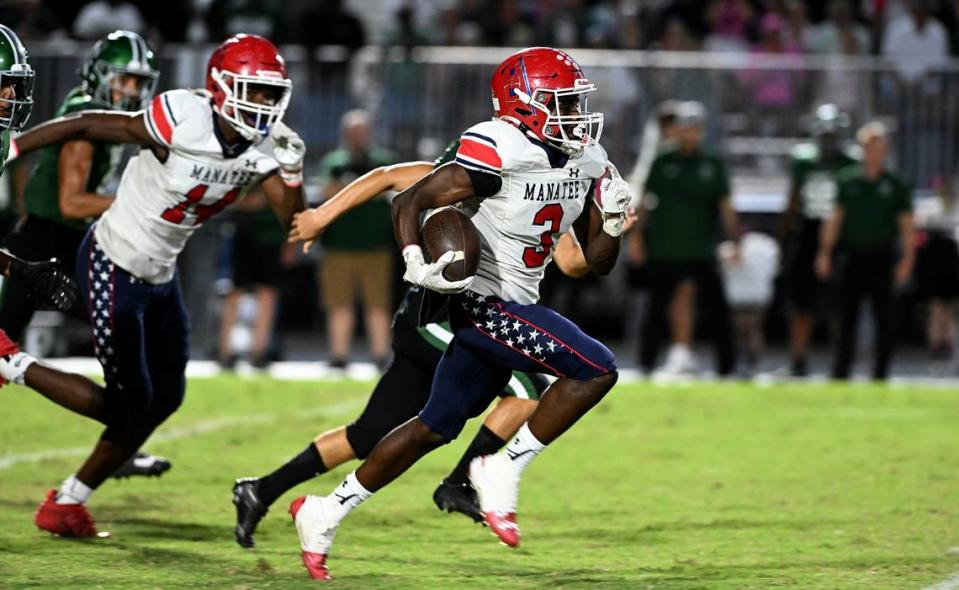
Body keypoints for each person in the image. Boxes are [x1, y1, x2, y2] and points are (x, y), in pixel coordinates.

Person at [288, 47, 630, 580]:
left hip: (520, 303)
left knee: (431, 428)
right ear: (523, 105)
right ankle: (501, 467)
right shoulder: (499, 147)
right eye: (562, 102)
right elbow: (409, 201)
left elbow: (597, 264)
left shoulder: (586, 159)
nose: (574, 114)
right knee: (596, 367)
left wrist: (610, 223)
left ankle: (324, 511)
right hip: (479, 301)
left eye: (576, 102)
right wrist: (414, 261)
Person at [231, 137, 620, 548]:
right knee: (526, 389)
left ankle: (262, 490)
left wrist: (610, 223)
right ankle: (463, 481)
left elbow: (571, 262)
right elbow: (391, 179)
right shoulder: (480, 170)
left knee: (370, 435)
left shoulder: (537, 183)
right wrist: (321, 215)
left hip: (468, 312)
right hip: (435, 314)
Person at [6, 33, 306, 538]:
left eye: (269, 94)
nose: (261, 104)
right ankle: (11, 362)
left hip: (161, 274)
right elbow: (86, 123)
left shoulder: (267, 149)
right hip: (112, 261)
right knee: (127, 407)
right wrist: (13, 146)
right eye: (252, 91)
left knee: (166, 397)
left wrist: (294, 176)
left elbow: (294, 226)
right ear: (219, 88)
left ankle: (69, 502)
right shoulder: (181, 117)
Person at [633, 101, 739, 378]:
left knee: (718, 310)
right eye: (684, 128)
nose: (688, 134)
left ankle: (727, 366)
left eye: (693, 129)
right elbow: (644, 203)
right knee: (655, 310)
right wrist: (636, 239)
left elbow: (726, 207)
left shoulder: (712, 164)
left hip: (701, 249)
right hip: (665, 249)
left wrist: (735, 240)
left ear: (702, 132)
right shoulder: (661, 160)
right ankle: (645, 363)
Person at [816, 122, 915, 380]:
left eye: (878, 147)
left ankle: (881, 373)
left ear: (886, 150)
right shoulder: (847, 180)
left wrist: (908, 258)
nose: (873, 152)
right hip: (852, 255)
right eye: (868, 147)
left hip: (882, 256)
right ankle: (841, 371)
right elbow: (835, 219)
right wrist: (825, 252)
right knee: (846, 315)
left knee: (884, 316)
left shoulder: (895, 184)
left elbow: (907, 226)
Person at [779, 104, 857, 377]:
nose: (828, 141)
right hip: (808, 231)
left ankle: (841, 362)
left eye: (833, 135)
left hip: (841, 235)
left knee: (841, 303)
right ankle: (798, 359)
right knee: (801, 303)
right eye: (824, 135)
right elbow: (793, 198)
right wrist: (785, 236)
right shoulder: (803, 159)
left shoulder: (851, 163)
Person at [317, 110, 395, 370]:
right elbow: (326, 191)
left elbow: (395, 191)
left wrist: (359, 189)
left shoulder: (383, 162)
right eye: (353, 132)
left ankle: (380, 355)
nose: (357, 137)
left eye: (361, 131)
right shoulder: (335, 162)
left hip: (376, 246)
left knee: (378, 304)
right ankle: (338, 356)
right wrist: (359, 188)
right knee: (339, 303)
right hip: (339, 246)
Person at [218, 186, 291, 369]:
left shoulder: (282, 170)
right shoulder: (244, 165)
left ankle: (259, 351)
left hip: (272, 240)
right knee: (233, 293)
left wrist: (290, 244)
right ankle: (226, 350)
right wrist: (254, 201)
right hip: (242, 237)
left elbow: (291, 205)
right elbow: (227, 199)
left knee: (268, 294)